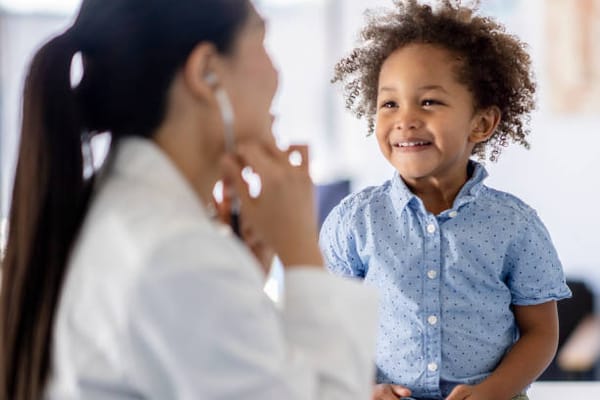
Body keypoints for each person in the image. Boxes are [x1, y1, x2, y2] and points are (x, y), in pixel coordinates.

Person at [0, 0, 379, 399]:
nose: (277, 72)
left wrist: (240, 280)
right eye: (262, 39)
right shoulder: (176, 253)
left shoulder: (122, 215)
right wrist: (302, 253)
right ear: (206, 72)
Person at [319, 1, 571, 399]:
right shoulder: (354, 221)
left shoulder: (515, 224)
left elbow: (541, 332)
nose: (405, 119)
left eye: (429, 101)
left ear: (481, 123)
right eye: (389, 103)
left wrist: (495, 390)